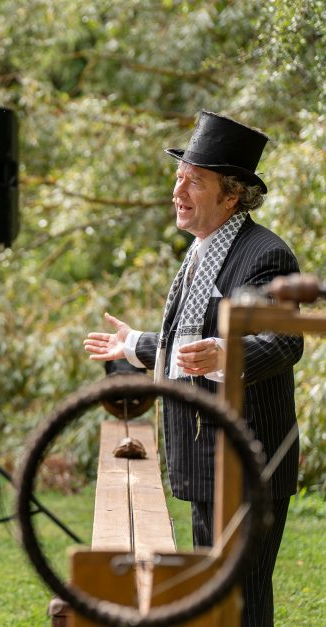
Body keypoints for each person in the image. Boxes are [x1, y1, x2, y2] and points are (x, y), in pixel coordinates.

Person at [84, 110, 302, 627]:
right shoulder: (201, 252)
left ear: (231, 195)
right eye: (179, 177)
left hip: (247, 462)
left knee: (239, 599)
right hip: (204, 458)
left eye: (194, 181)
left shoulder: (265, 254)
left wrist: (229, 355)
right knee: (213, 595)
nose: (178, 190)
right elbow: (190, 341)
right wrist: (135, 343)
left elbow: (284, 340)